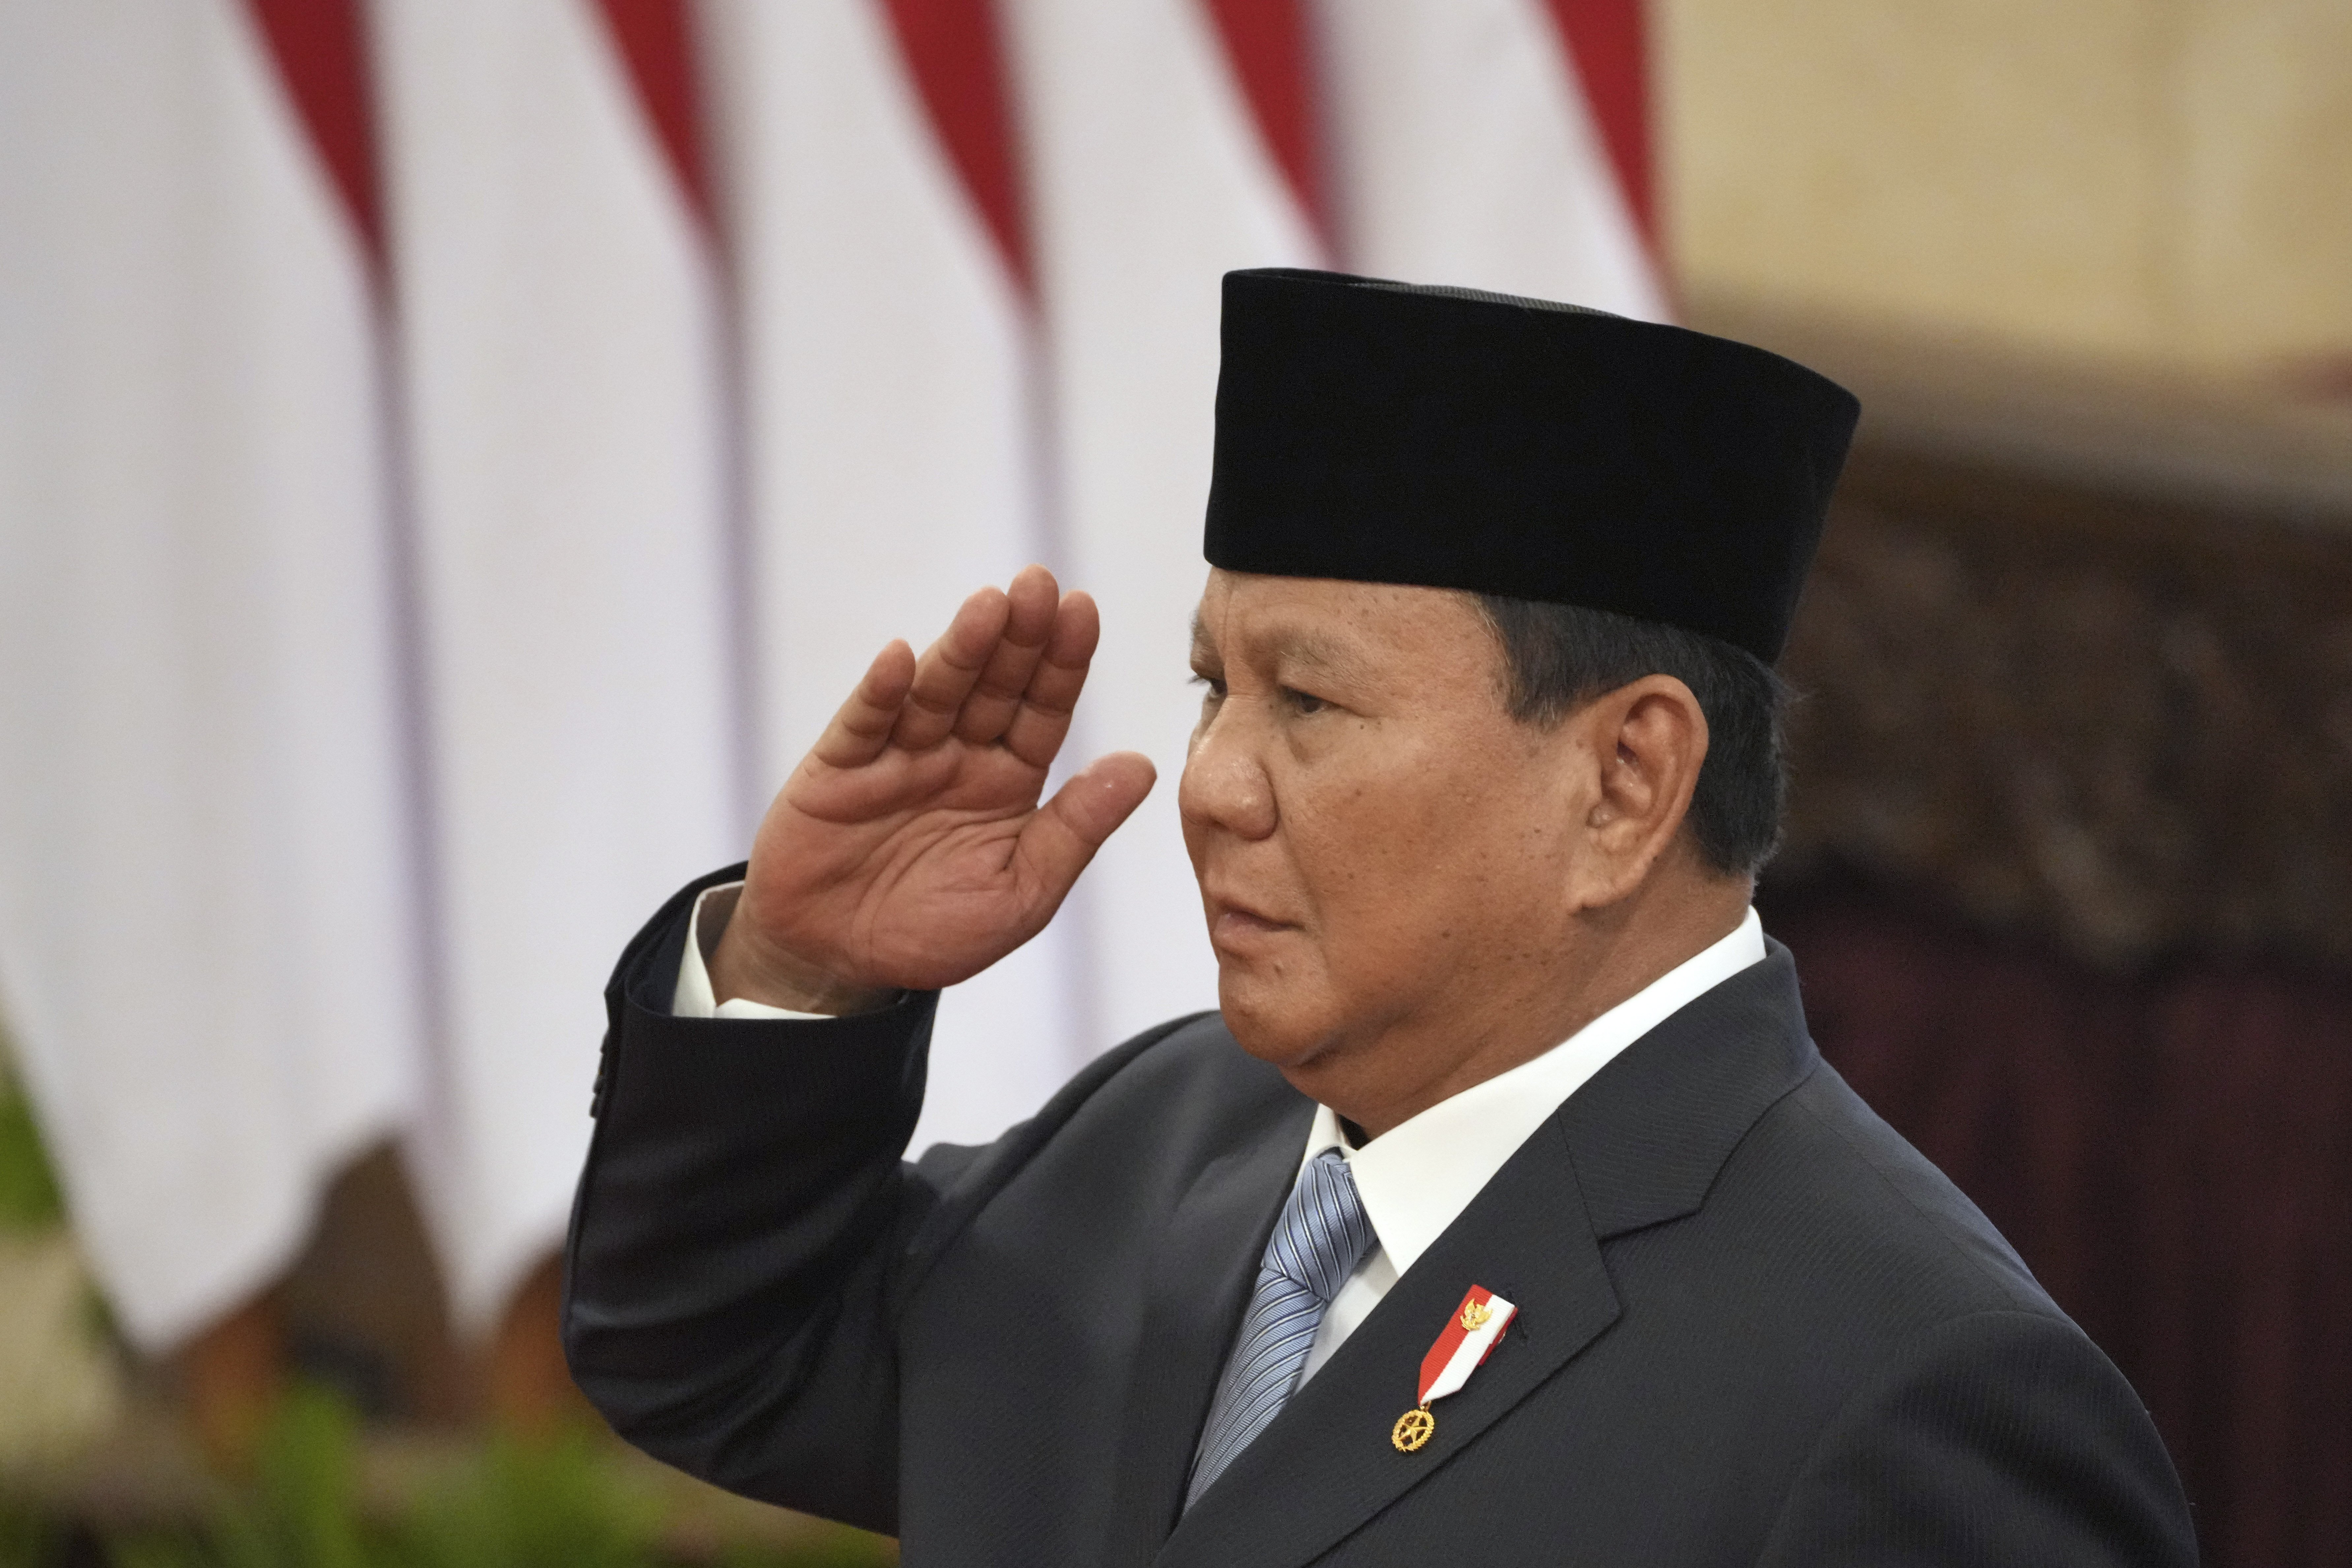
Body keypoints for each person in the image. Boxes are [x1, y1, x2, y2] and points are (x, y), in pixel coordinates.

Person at [563, 269, 2196, 1566]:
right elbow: (719, 1354)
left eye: (1311, 702)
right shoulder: (1171, 1133)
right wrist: (799, 975)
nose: (1211, 782)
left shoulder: (1912, 1390)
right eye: (1215, 682)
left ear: (1625, 782)